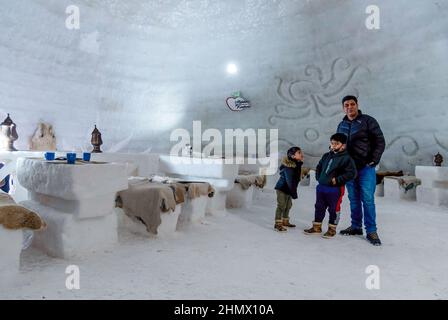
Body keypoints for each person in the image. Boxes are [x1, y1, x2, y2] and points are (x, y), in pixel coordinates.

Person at [337, 95, 386, 246]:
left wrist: (374, 160)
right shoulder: (342, 124)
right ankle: (356, 226)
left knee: (368, 200)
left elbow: (380, 141)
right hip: (349, 168)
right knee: (353, 199)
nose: (349, 107)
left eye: (352, 104)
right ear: (343, 108)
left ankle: (371, 231)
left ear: (357, 105)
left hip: (366, 167)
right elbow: (337, 143)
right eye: (346, 105)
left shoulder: (368, 121)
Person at [304, 133, 356, 238]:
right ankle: (316, 227)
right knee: (319, 207)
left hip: (335, 189)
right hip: (321, 187)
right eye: (332, 143)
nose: (333, 146)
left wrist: (337, 180)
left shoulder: (347, 158)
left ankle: (332, 229)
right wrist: (319, 177)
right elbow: (319, 166)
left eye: (336, 144)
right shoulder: (326, 155)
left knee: (334, 209)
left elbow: (352, 173)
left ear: (343, 145)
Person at [274, 147, 304, 232]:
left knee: (288, 205)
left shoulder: (297, 164)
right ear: (293, 156)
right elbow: (290, 181)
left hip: (289, 189)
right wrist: (294, 193)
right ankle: (278, 223)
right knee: (282, 205)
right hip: (282, 188)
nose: (301, 154)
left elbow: (296, 180)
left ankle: (285, 221)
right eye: (299, 153)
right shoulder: (288, 167)